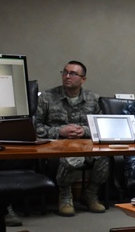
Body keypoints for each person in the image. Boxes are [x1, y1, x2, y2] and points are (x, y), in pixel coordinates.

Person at [33, 61, 109, 216]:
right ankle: (65, 194)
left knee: (103, 157)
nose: (67, 76)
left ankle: (90, 194)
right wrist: (59, 131)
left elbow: (101, 126)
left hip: (85, 144)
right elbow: (35, 127)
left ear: (83, 79)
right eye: (65, 72)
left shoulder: (93, 99)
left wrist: (84, 130)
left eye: (73, 74)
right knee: (72, 158)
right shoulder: (47, 97)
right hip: (58, 145)